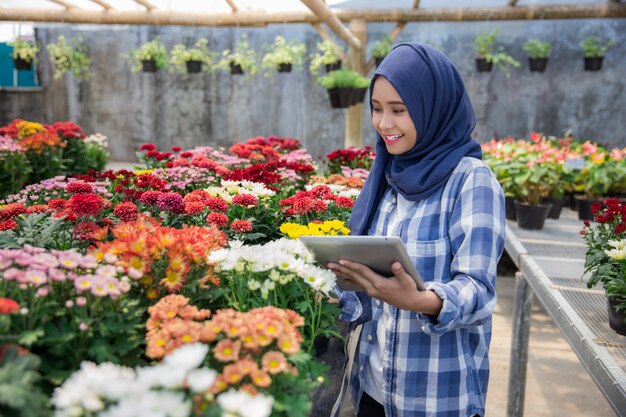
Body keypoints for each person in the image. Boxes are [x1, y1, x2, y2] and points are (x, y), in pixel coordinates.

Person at [328, 42, 506, 417]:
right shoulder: (388, 177)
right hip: (372, 390)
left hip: (436, 399)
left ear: (433, 108)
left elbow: (479, 289)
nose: (384, 124)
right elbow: (369, 281)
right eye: (376, 109)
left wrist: (421, 300)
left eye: (399, 110)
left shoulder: (472, 181)